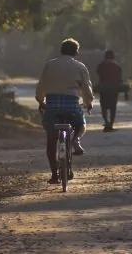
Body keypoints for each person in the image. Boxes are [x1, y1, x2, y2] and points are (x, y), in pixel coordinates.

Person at [35, 38, 94, 184]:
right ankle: (76, 140)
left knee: (51, 141)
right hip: (72, 106)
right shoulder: (80, 66)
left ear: (61, 50)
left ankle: (54, 175)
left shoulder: (50, 64)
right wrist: (88, 103)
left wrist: (40, 100)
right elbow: (86, 88)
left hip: (53, 107)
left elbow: (42, 84)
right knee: (81, 124)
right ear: (76, 52)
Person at [96, 49, 123, 132]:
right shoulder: (117, 66)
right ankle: (110, 124)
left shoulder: (101, 65)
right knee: (113, 107)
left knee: (104, 107)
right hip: (114, 89)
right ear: (113, 56)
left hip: (103, 89)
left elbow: (99, 75)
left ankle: (106, 122)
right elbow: (119, 78)